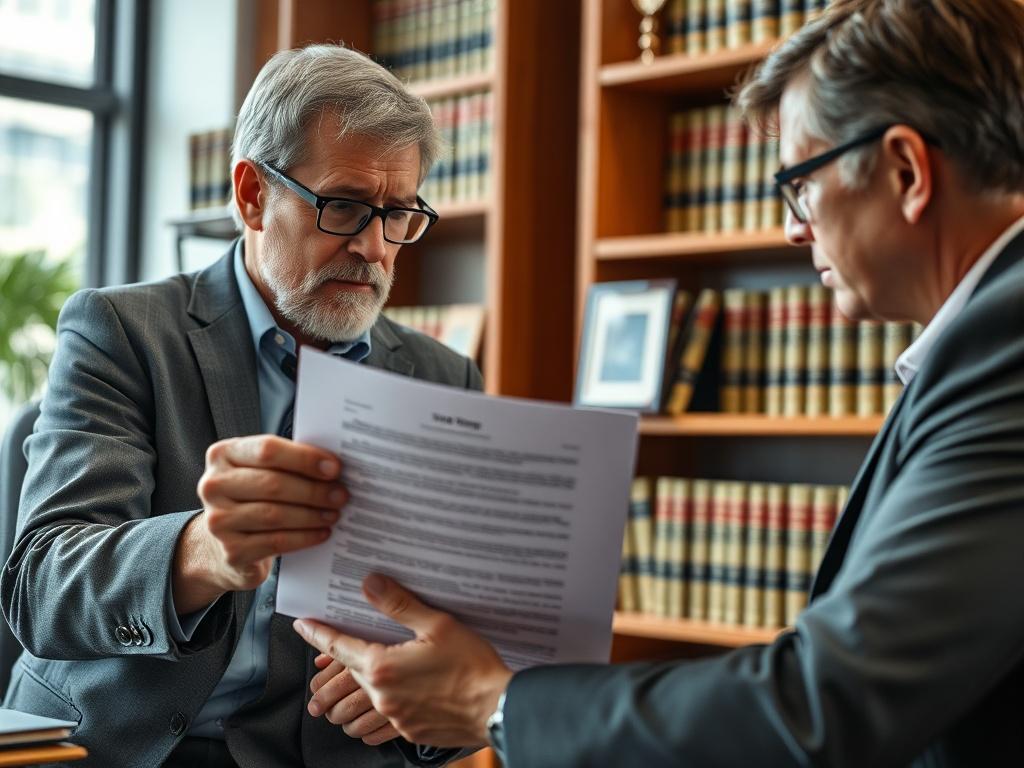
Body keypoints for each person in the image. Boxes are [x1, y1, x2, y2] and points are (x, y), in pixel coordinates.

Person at [291, 1, 1024, 765]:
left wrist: (494, 702)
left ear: (906, 170)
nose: (794, 229)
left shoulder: (1007, 348)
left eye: (801, 183)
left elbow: (828, 701)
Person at [1, 44, 479, 767]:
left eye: (398, 214)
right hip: (115, 745)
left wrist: (419, 703)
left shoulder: (443, 380)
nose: (375, 248)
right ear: (253, 194)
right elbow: (44, 587)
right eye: (345, 207)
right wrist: (203, 551)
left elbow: (471, 647)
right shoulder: (122, 333)